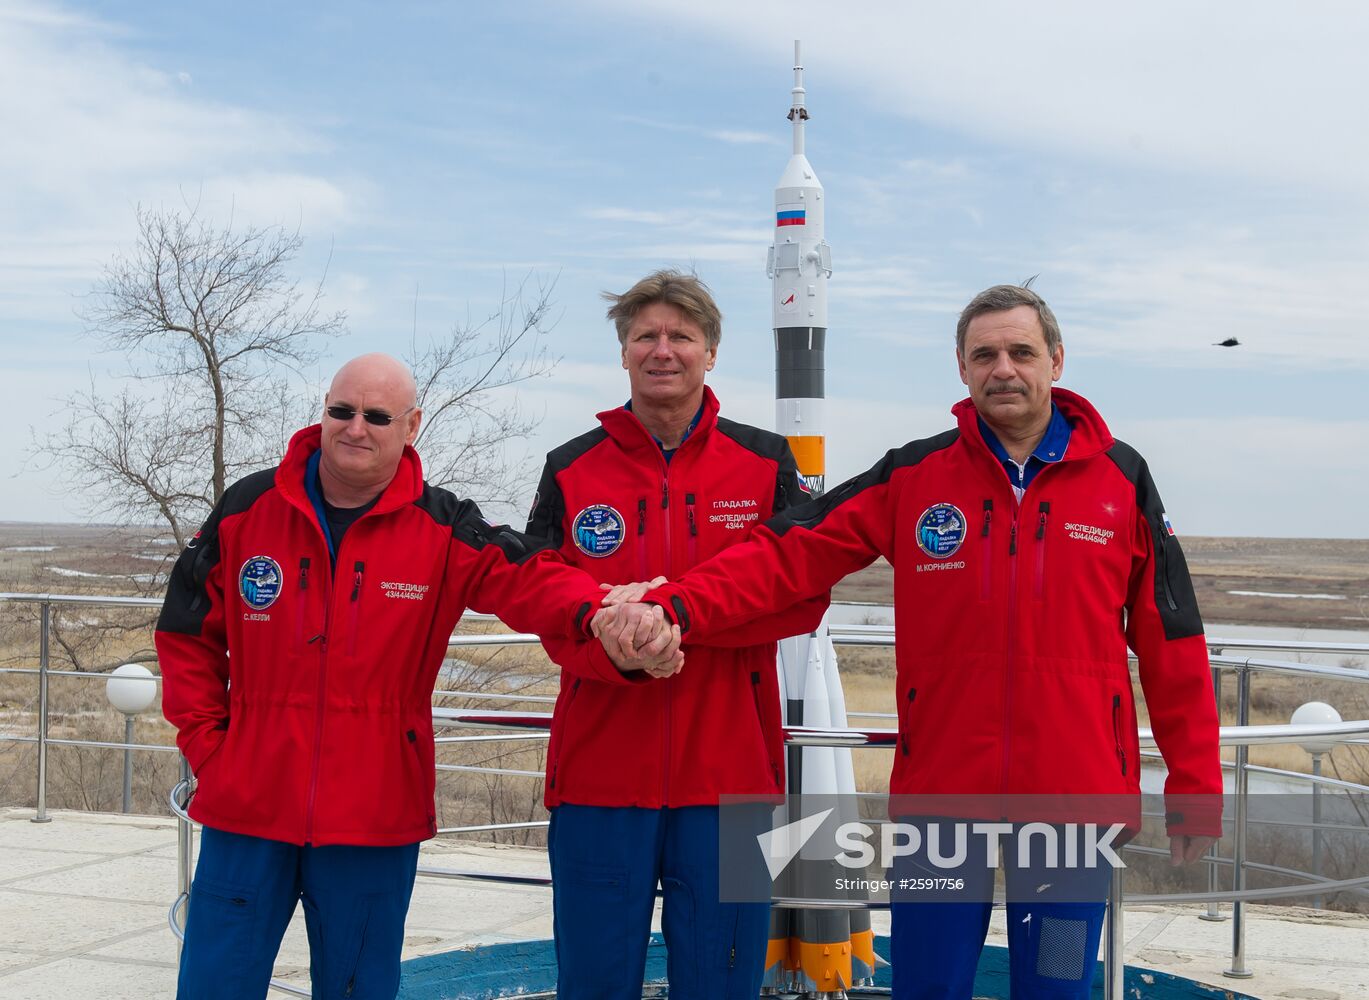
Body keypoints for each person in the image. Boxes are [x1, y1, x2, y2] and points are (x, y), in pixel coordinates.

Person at [620, 284, 1223, 999]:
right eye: (984, 354)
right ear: (961, 369)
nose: (1003, 368)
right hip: (942, 794)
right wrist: (674, 605)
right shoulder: (914, 475)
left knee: (1056, 984)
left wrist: (1195, 789)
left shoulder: (1119, 480)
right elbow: (788, 553)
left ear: (1055, 361)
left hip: (1073, 795)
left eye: (1020, 351)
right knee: (929, 985)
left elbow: (1171, 638)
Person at [156, 353, 675, 1000]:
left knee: (358, 988)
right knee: (213, 983)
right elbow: (184, 636)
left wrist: (602, 610)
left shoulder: (444, 524)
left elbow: (527, 577)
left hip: (374, 811)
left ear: (411, 426)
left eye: (377, 416)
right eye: (340, 411)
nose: (355, 428)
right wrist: (210, 746)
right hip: (246, 804)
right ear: (322, 412)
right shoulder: (249, 508)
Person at [525, 269, 828, 1000]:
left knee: (722, 982)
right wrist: (622, 655)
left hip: (730, 777)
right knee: (594, 980)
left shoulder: (763, 463)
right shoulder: (570, 468)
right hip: (601, 774)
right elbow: (545, 605)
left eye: (681, 337)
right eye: (645, 337)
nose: (663, 351)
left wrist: (671, 622)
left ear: (711, 352)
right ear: (624, 352)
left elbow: (802, 597)